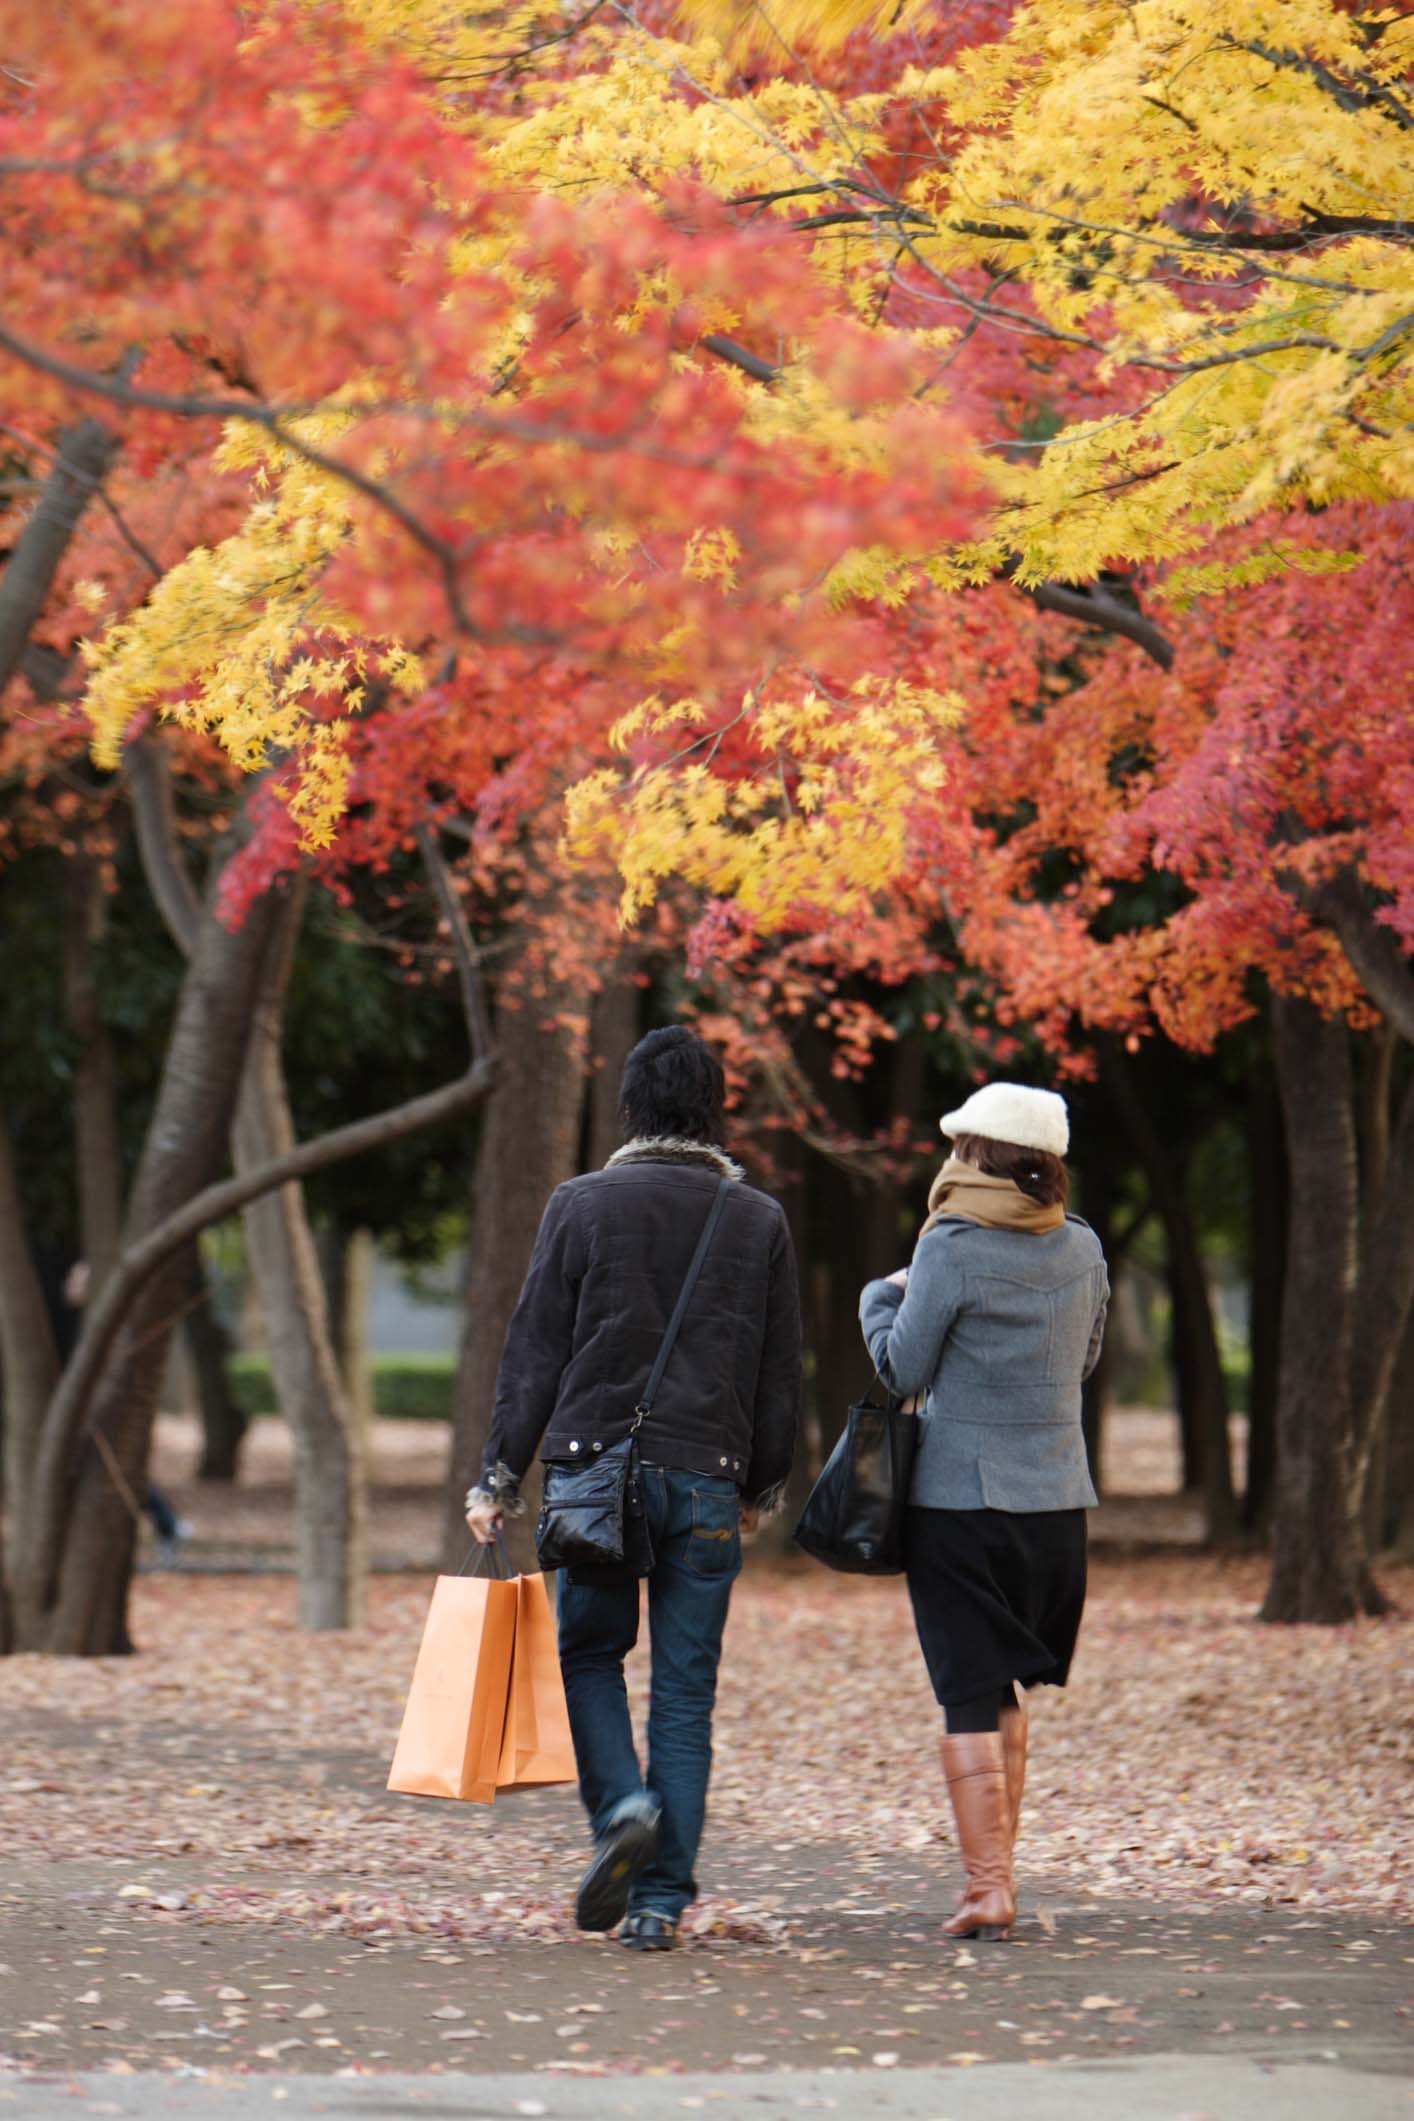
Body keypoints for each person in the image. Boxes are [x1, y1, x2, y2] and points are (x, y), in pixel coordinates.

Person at [464, 1025, 801, 1952]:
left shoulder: (580, 1204)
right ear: (714, 1107)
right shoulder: (758, 1220)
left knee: (589, 1656)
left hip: (591, 1474)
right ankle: (658, 1902)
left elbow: (533, 1348)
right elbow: (779, 1373)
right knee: (686, 1693)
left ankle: (622, 1807)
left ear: (631, 1106)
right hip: (706, 1477)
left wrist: (499, 1472)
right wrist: (760, 1486)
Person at [859, 1082, 1107, 1943]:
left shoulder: (950, 1247)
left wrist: (876, 1297)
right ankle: (999, 1875)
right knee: (999, 1685)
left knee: (969, 1687)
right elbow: (1086, 1358)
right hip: (1055, 1508)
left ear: (975, 1154)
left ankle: (987, 1887)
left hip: (961, 1502)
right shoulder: (1082, 1247)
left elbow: (900, 1369)